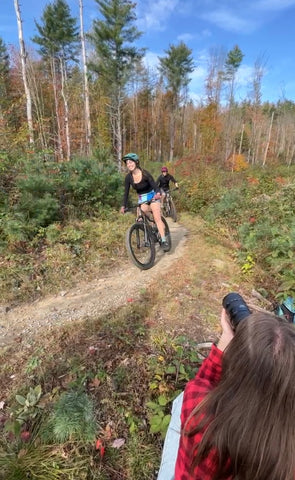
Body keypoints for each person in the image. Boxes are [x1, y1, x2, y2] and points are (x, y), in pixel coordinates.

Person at [173, 309, 295, 480]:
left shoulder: (199, 410)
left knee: (179, 402)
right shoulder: (286, 453)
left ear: (235, 362)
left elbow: (198, 385)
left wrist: (224, 344)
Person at [120, 153, 170, 251]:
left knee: (157, 217)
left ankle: (164, 240)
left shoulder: (145, 174)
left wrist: (158, 193)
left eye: (131, 162)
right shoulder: (128, 178)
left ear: (136, 162)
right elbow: (126, 193)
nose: (129, 164)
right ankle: (151, 232)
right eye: (127, 163)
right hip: (142, 199)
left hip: (152, 196)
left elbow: (155, 186)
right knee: (140, 217)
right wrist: (123, 206)